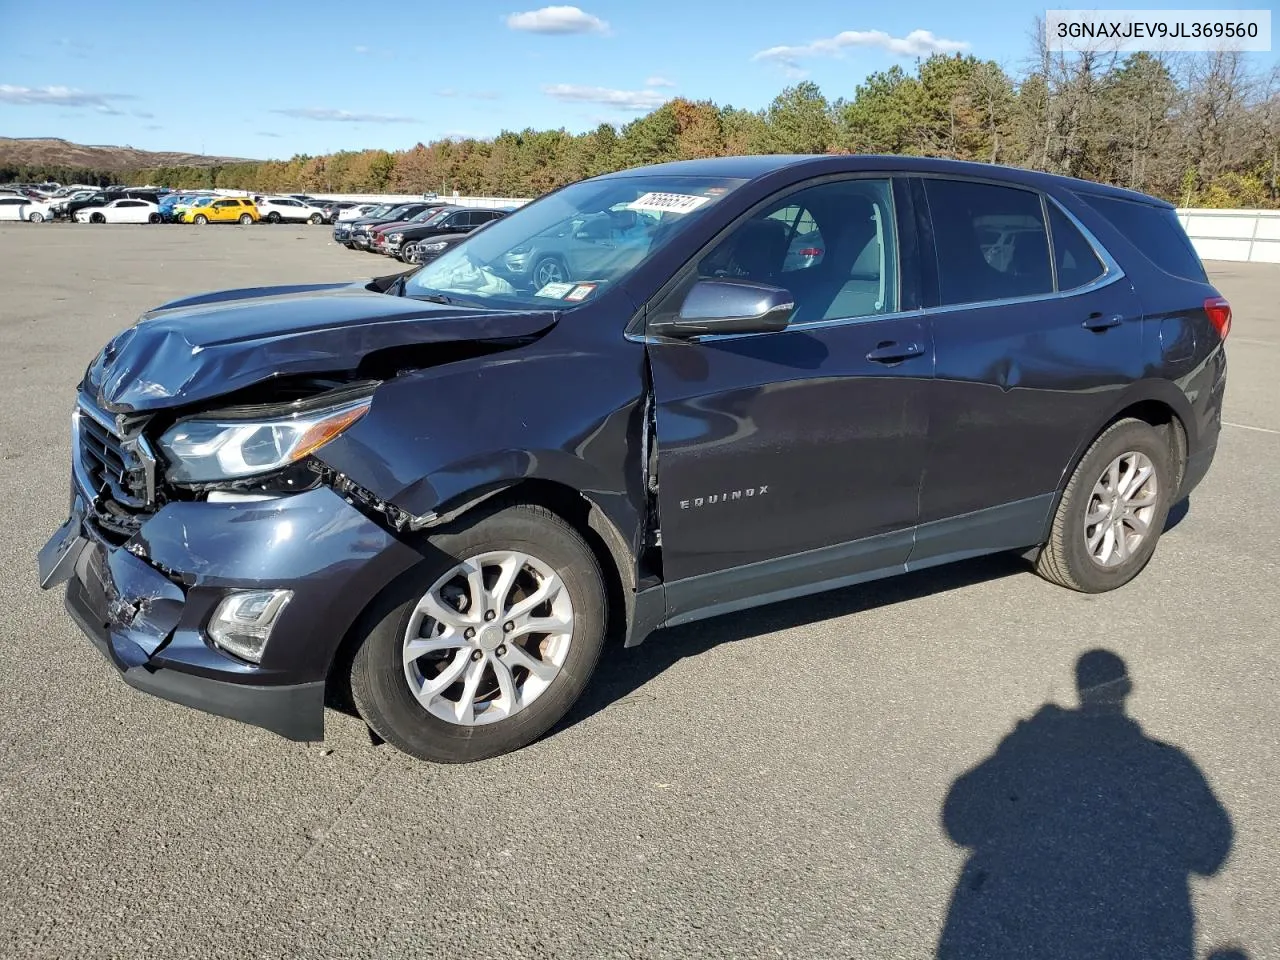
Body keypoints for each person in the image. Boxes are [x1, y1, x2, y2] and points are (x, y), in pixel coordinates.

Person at [939, 649, 1233, 959]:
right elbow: (1211, 854)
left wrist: (1016, 746)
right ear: (1127, 688)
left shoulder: (1034, 749)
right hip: (1140, 938)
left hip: (1025, 932)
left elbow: (958, 824)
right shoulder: (1169, 764)